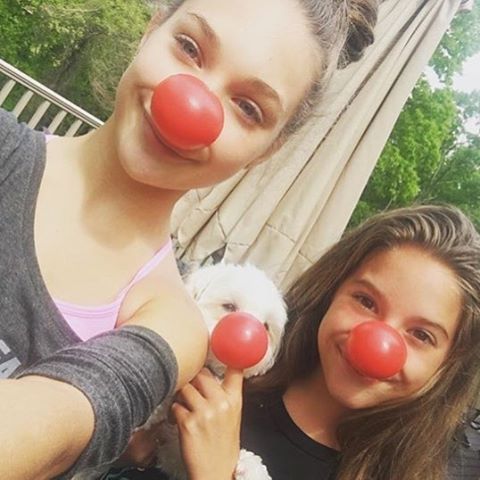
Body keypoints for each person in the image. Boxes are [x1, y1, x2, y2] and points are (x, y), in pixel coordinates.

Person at [0, 0, 379, 478]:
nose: (193, 106)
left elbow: (56, 425)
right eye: (188, 47)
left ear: (268, 150)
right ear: (151, 29)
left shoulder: (176, 328)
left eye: (247, 108)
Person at [163, 205, 480, 480]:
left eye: (421, 335)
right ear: (331, 291)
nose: (376, 345)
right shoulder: (220, 362)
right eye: (366, 302)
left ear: (449, 364)